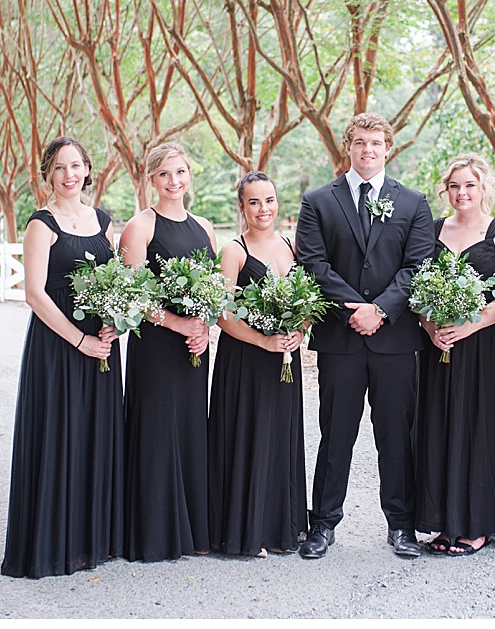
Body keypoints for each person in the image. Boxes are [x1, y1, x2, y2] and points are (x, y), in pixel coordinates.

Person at [294, 113, 435, 559]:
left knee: (396, 437)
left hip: (395, 341)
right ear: (348, 147)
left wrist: (381, 310)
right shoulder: (318, 201)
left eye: (375, 143)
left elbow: (418, 265)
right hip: (341, 340)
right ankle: (323, 525)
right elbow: (313, 264)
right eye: (359, 142)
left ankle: (401, 526)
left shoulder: (413, 203)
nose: (367, 150)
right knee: (335, 435)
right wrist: (356, 310)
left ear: (388, 148)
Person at [1, 137, 124, 578]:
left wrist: (113, 323)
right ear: (49, 175)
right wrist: (79, 341)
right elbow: (35, 294)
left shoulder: (103, 221)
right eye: (59, 167)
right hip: (58, 347)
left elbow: (113, 280)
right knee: (59, 436)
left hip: (101, 347)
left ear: (87, 170)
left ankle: (91, 539)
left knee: (94, 435)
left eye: (75, 166)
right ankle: (52, 545)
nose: (69, 174)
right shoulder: (41, 224)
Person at [414, 153, 495, 556]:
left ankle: (477, 525)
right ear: (446, 190)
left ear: (483, 188)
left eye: (469, 185)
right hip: (439, 346)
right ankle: (446, 522)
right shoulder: (431, 229)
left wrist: (469, 325)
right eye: (455, 186)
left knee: (480, 429)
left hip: (486, 347)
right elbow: (416, 288)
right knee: (441, 427)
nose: (462, 192)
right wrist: (431, 328)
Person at [119, 143, 218, 561]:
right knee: (158, 431)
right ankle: (155, 535)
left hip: (194, 346)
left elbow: (214, 290)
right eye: (164, 174)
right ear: (151, 180)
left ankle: (193, 531)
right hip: (156, 346)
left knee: (191, 429)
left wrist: (204, 327)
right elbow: (132, 296)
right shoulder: (140, 227)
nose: (173, 181)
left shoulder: (205, 227)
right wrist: (179, 324)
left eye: (180, 172)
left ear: (189, 175)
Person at [208, 172, 307, 557]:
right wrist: (264, 340)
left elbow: (307, 300)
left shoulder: (292, 246)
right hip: (246, 359)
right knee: (249, 437)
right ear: (241, 208)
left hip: (284, 359)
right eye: (254, 202)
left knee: (280, 436)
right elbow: (222, 315)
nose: (263, 209)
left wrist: (299, 331)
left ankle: (280, 527)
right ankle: (246, 532)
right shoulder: (233, 251)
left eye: (269, 200)